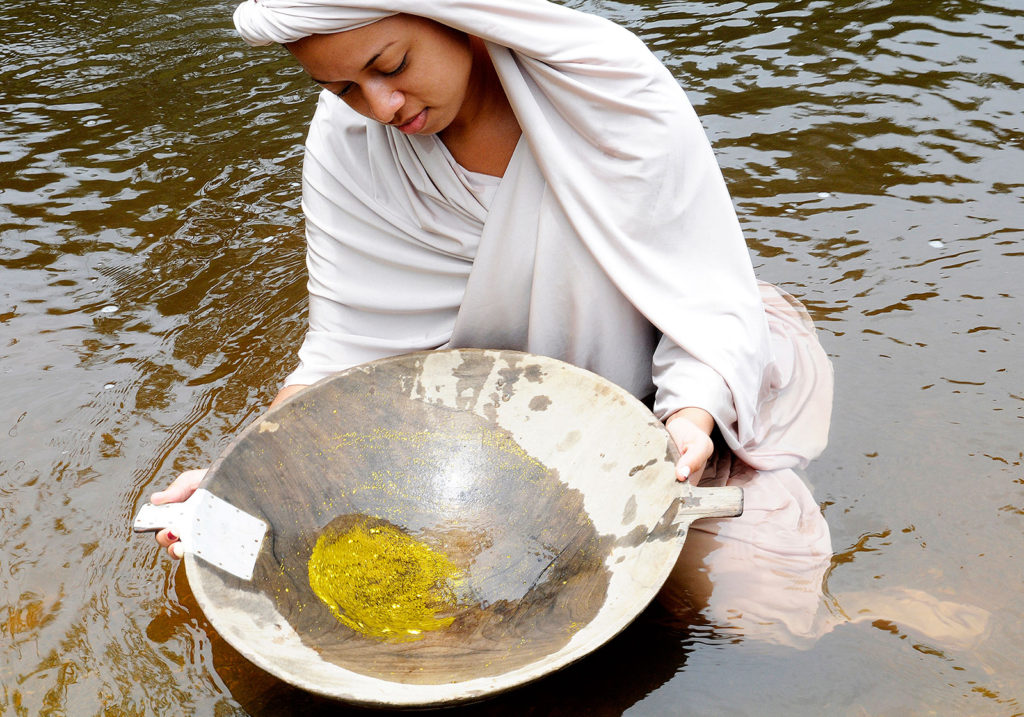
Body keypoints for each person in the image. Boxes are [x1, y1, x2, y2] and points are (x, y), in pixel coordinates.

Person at [153, 0, 833, 590]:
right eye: (341, 88)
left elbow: (702, 284)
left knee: (756, 603)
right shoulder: (350, 141)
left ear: (462, 18)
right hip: (487, 444)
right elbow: (346, 348)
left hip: (660, 405)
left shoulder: (605, 84)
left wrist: (690, 418)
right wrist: (239, 474)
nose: (380, 107)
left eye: (391, 65)